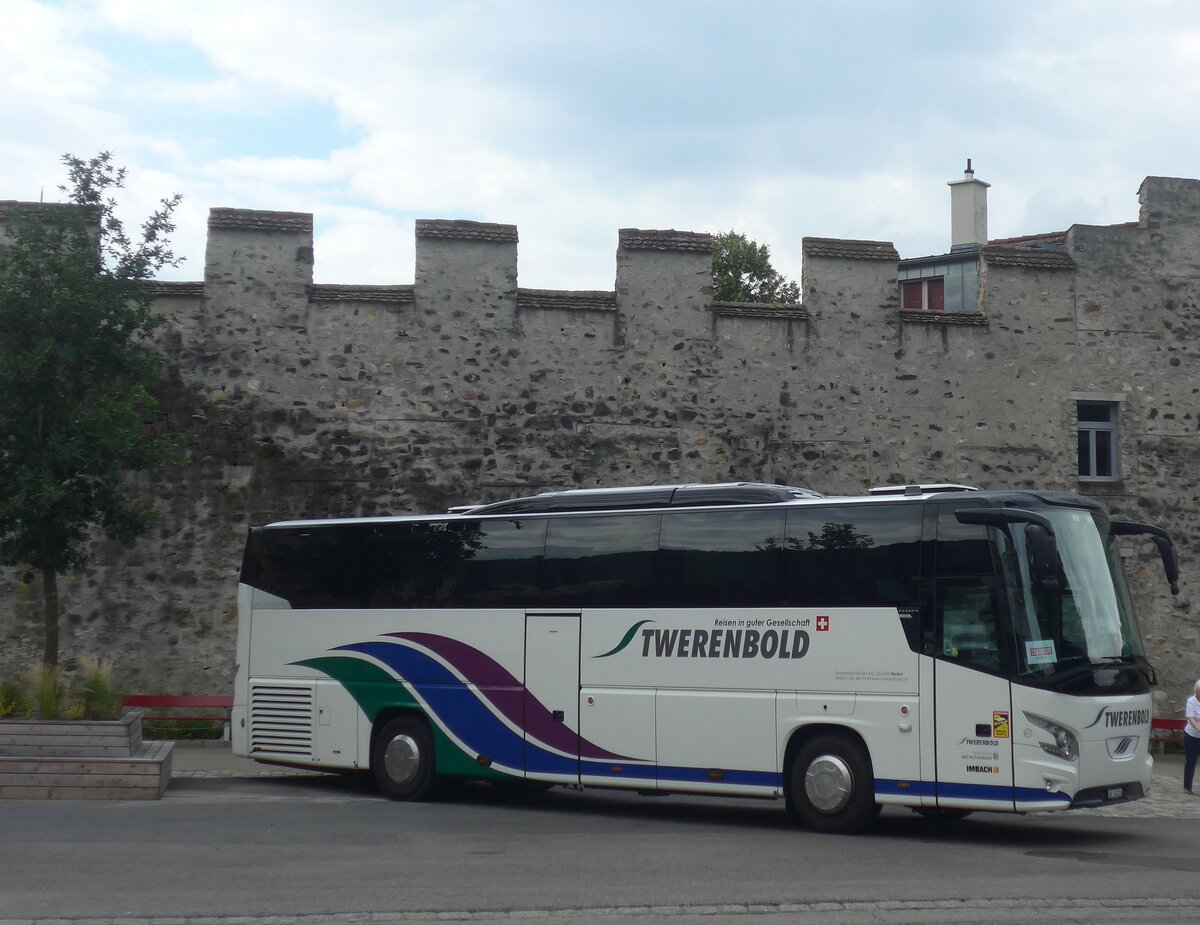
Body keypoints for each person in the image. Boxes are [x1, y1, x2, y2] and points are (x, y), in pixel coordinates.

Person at [1185, 680, 1200, 794]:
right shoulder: (1191, 701)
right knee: (1191, 761)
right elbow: (1191, 719)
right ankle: (1187, 786)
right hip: (1192, 736)